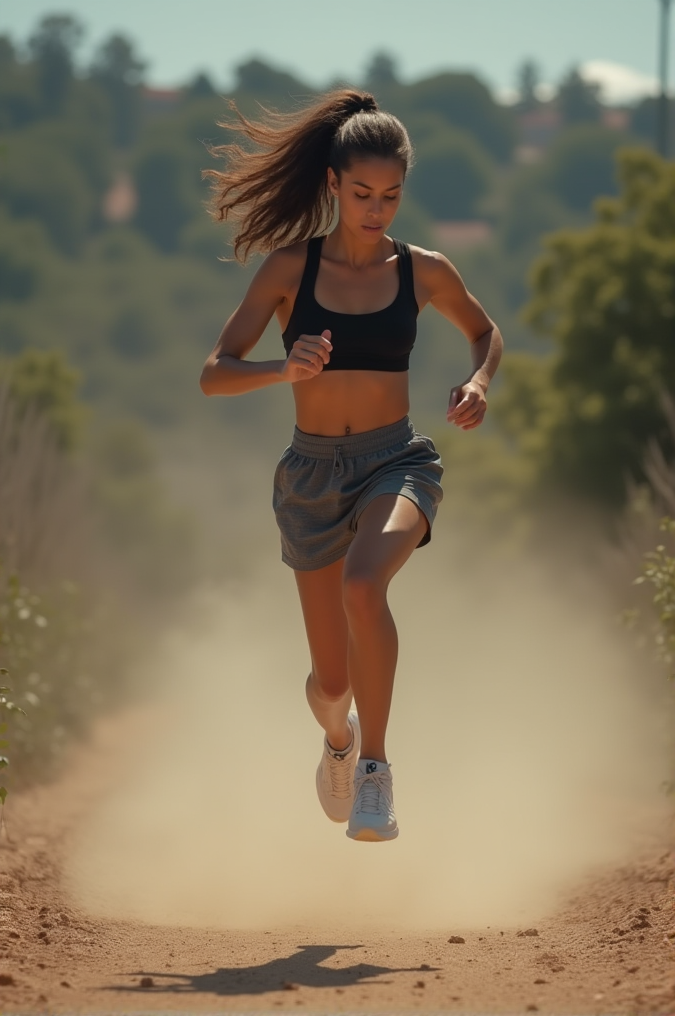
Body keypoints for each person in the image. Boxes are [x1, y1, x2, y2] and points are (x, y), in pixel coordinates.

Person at [200, 89, 503, 842]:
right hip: (310, 475)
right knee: (330, 683)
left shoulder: (423, 270)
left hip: (395, 460)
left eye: (392, 195)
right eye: (363, 193)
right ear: (333, 185)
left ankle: (375, 769)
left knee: (366, 586)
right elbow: (214, 371)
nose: (377, 209)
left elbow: (485, 331)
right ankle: (339, 737)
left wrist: (478, 381)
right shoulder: (287, 270)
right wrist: (282, 369)